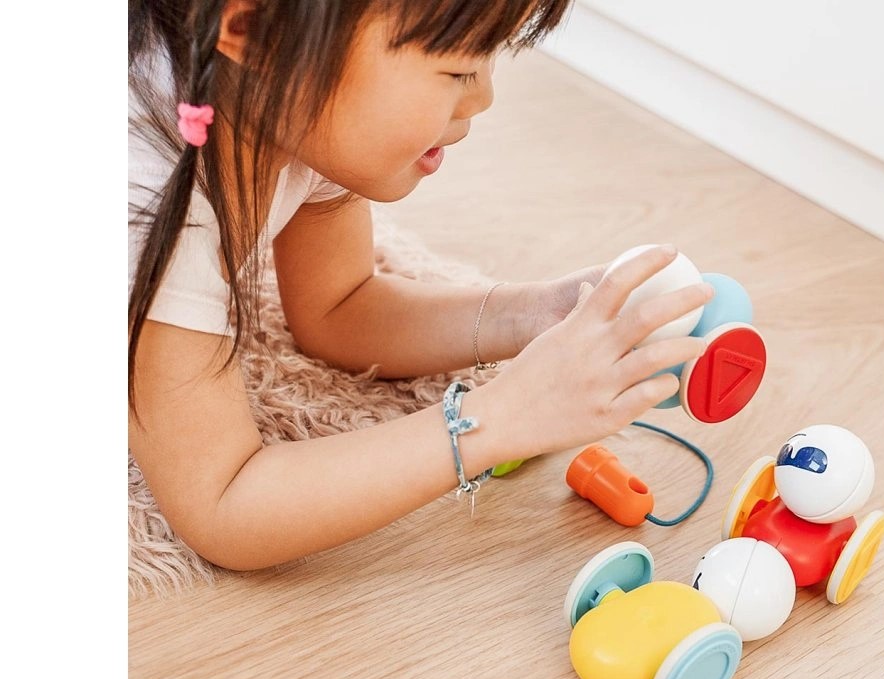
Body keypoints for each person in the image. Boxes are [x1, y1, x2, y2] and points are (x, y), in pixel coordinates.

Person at [128, 0, 713, 572]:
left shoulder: (289, 97)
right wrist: (502, 418)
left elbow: (339, 307)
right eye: (458, 68)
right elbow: (226, 503)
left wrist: (539, 312)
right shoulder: (147, 204)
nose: (484, 96)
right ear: (256, 29)